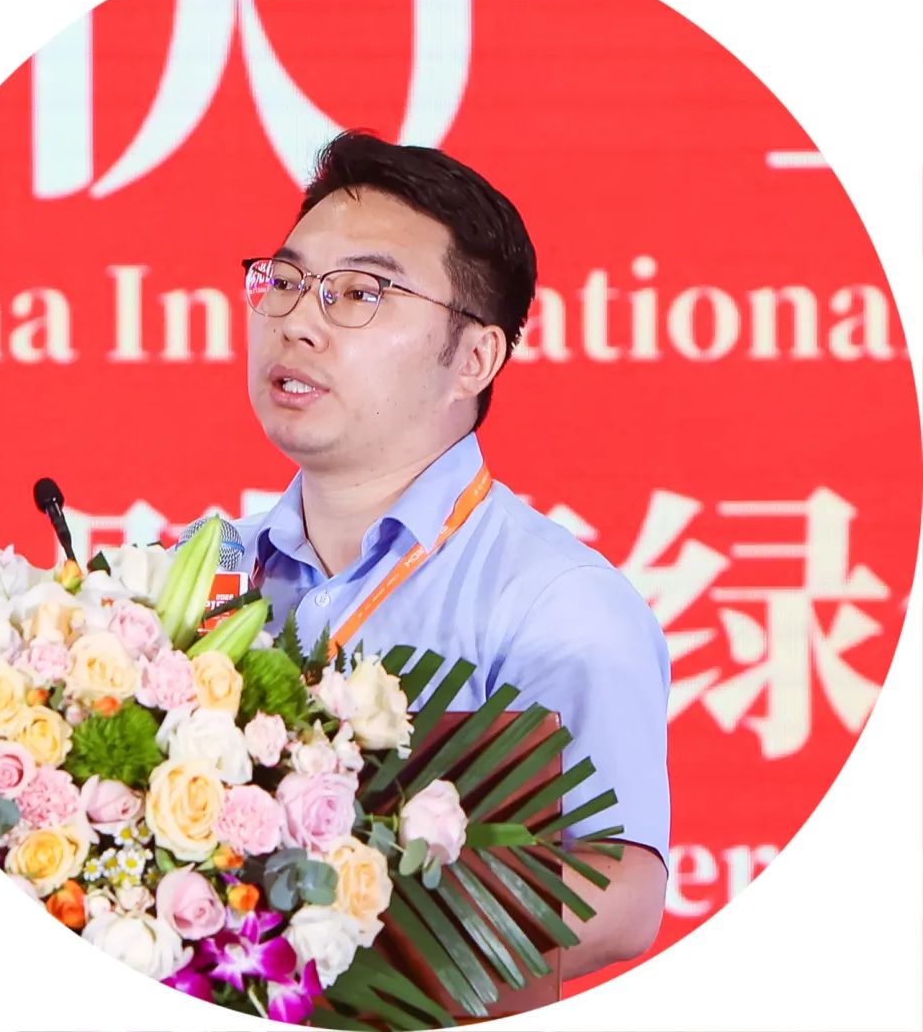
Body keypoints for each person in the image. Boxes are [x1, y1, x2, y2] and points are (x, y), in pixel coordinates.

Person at [183, 129, 669, 980]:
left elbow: (621, 893)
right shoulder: (203, 570)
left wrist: (324, 937)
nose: (297, 323)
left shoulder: (555, 600)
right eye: (286, 282)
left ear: (474, 358)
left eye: (359, 293)